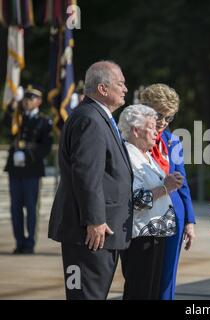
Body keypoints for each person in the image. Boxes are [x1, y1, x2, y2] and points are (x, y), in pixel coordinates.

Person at [48, 61, 133, 300]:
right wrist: (95, 220)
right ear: (103, 89)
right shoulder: (90, 119)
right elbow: (86, 173)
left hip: (96, 232)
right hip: (90, 233)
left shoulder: (97, 117)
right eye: (120, 83)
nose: (125, 88)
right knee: (85, 294)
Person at [117, 104, 183, 299]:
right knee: (140, 292)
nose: (157, 133)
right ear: (136, 130)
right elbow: (136, 199)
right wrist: (166, 187)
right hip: (142, 238)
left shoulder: (144, 154)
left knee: (151, 291)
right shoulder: (129, 155)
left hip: (154, 234)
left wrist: (167, 184)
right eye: (152, 128)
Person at [139, 83, 196, 300]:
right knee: (143, 278)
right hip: (144, 213)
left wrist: (190, 221)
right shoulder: (130, 136)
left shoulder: (172, 140)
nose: (163, 122)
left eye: (169, 118)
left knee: (167, 278)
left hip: (175, 214)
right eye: (159, 115)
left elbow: (183, 182)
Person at [3, 84, 53, 254]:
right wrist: (12, 105)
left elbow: (46, 146)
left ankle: (30, 242)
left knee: (31, 207)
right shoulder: (17, 117)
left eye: (30, 98)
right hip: (15, 170)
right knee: (15, 207)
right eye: (25, 98)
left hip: (31, 169)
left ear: (38, 101)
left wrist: (28, 155)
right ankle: (19, 242)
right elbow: (6, 125)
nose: (26, 101)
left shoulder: (44, 120)